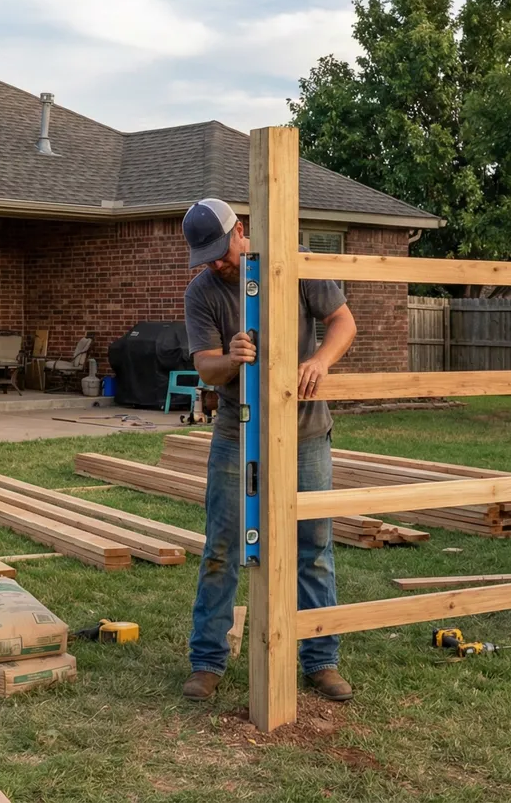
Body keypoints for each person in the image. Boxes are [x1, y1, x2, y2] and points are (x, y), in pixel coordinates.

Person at [179, 197, 358, 702]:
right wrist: (229, 358)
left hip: (304, 428)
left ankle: (321, 660)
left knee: (314, 545)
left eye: (221, 251)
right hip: (238, 432)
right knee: (222, 547)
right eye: (206, 257)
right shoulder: (203, 292)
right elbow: (205, 367)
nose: (217, 263)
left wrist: (321, 360)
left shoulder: (293, 265)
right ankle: (208, 662)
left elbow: (343, 322)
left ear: (241, 232)